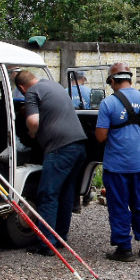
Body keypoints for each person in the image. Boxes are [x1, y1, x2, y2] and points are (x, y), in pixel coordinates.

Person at [15, 70, 88, 256]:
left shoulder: (32, 92)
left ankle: (46, 244)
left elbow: (33, 120)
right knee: (65, 193)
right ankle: (60, 238)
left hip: (59, 149)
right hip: (79, 146)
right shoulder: (53, 85)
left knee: (47, 195)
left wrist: (32, 133)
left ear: (22, 88)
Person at [95, 62, 140, 262]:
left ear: (112, 80)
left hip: (116, 166)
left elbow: (100, 137)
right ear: (130, 78)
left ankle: (124, 248)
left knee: (119, 205)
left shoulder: (108, 103)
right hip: (139, 163)